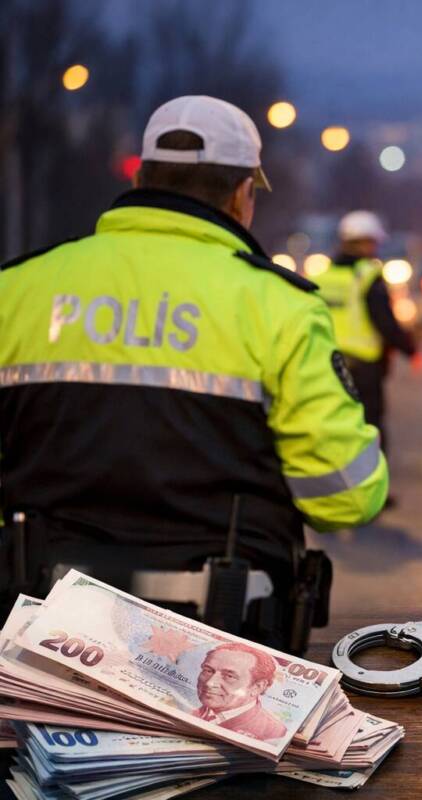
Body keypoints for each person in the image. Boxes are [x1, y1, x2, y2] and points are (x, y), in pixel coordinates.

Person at [0, 95, 387, 652]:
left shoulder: (20, 288)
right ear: (240, 194)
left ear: (143, 177)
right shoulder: (279, 306)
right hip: (224, 645)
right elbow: (346, 497)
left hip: (33, 636)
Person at [311, 211, 415, 505]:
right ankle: (371, 492)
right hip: (364, 367)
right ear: (367, 243)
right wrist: (410, 349)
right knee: (370, 429)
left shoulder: (322, 276)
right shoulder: (368, 277)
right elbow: (385, 321)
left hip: (328, 365)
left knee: (333, 430)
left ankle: (334, 490)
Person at [193, 643, 288, 741]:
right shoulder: (193, 712)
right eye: (208, 671)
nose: (210, 683)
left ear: (257, 687)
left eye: (229, 676)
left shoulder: (275, 733)